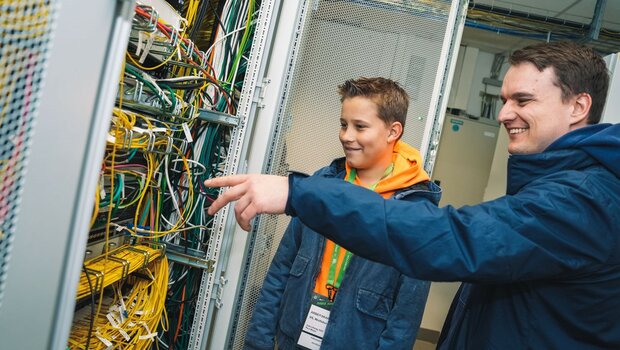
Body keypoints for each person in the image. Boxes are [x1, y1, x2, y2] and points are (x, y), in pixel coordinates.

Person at [206, 41, 620, 349]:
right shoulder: (564, 186)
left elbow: (451, 240)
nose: (504, 113)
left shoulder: (583, 200)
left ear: (578, 106)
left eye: (523, 100)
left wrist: (298, 193)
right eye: (504, 99)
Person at [244, 77, 440, 350]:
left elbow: (405, 316)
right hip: (293, 336)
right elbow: (281, 270)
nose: (347, 136)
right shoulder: (321, 185)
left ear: (393, 131)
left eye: (360, 127)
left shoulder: (415, 211)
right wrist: (258, 341)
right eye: (343, 124)